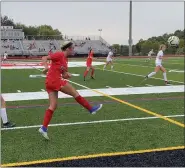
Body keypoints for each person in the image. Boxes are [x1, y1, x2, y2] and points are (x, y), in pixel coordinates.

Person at [39, 41, 102, 140]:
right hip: (54, 80)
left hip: (50, 82)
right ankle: (91, 109)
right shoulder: (59, 54)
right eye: (72, 48)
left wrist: (68, 75)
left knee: (53, 106)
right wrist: (46, 67)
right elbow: (44, 58)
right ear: (67, 48)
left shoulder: (65, 60)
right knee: (75, 93)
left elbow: (64, 74)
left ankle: (44, 128)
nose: (74, 50)